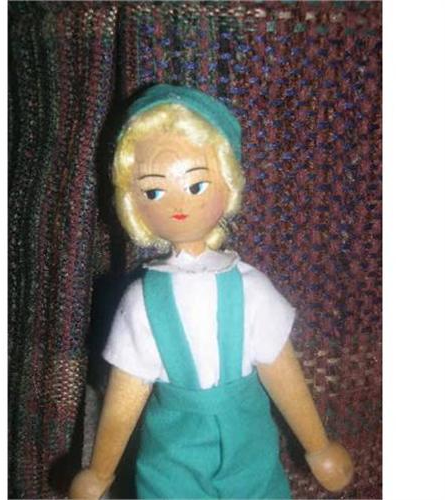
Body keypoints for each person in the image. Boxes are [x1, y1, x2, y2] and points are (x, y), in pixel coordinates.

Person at [70, 84, 353, 499]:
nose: (177, 204)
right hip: (173, 448)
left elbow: (280, 368)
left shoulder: (251, 288)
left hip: (249, 443)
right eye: (154, 191)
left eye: (196, 185)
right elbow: (127, 391)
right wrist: (100, 471)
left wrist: (318, 446)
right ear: (134, 202)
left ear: (227, 182)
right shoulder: (142, 302)